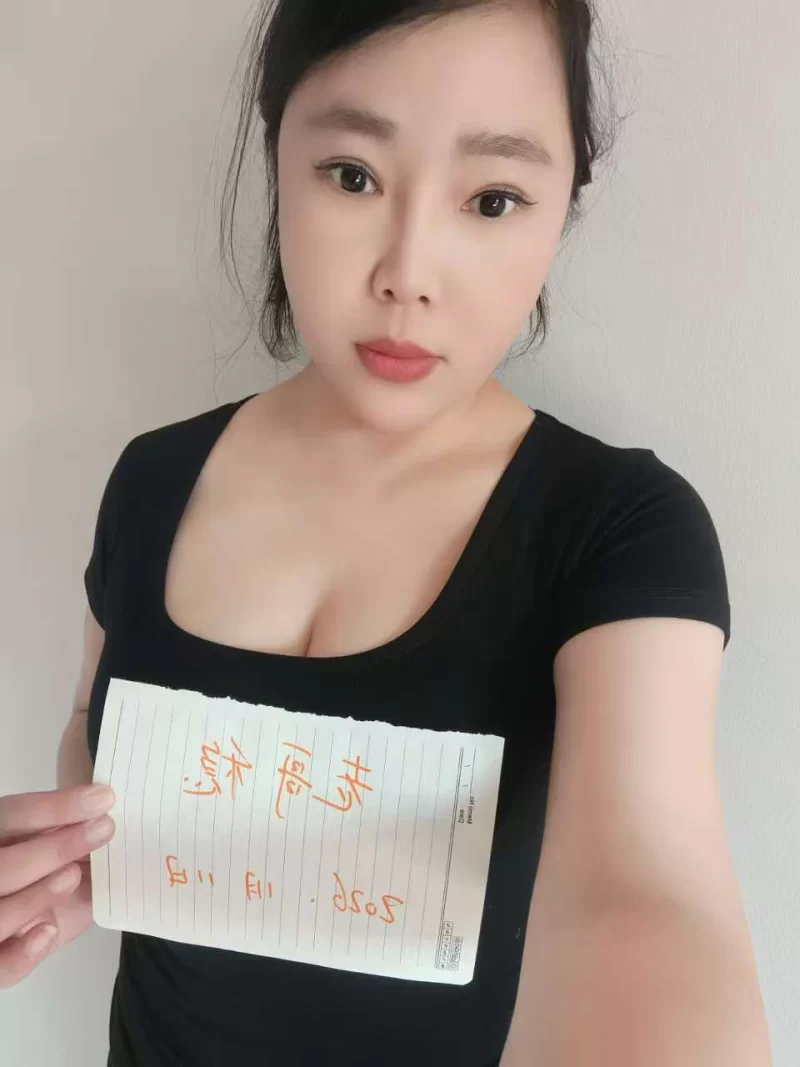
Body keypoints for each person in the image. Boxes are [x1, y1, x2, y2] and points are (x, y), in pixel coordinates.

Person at [0, 2, 741, 1065]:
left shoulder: (619, 530)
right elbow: (90, 713)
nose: (408, 273)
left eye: (491, 199)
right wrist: (78, 854)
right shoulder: (152, 477)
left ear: (559, 210)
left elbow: (647, 894)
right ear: (278, 158)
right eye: (351, 176)